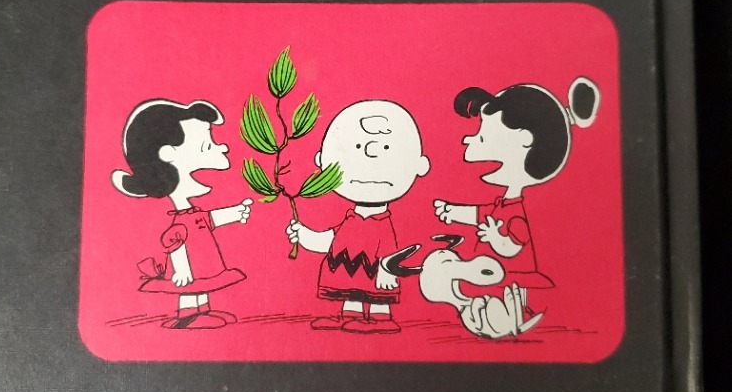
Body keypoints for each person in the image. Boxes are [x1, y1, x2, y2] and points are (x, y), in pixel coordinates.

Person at [433, 77, 600, 309]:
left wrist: (495, 238)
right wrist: (453, 211)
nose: (468, 139)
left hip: (511, 276)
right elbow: (481, 214)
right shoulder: (504, 203)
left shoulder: (515, 211)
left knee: (509, 301)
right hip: (492, 275)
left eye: (482, 137)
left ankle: (514, 315)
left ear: (524, 139)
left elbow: (513, 247)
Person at [286, 100, 430, 334]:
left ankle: (381, 317)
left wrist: (386, 271)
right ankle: (350, 314)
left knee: (375, 291)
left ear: (420, 166)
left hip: (375, 270)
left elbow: (389, 252)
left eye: (386, 148)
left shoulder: (381, 223)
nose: (371, 153)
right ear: (322, 161)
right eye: (357, 146)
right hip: (348, 267)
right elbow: (332, 240)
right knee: (350, 287)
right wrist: (305, 235)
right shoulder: (350, 220)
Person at [112, 99, 252, 330]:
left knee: (203, 283)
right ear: (169, 154)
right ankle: (186, 316)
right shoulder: (181, 219)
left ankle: (203, 311)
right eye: (206, 146)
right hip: (190, 266)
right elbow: (173, 241)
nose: (223, 148)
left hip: (203, 263)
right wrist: (182, 269)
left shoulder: (192, 213)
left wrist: (234, 213)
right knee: (191, 286)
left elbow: (209, 220)